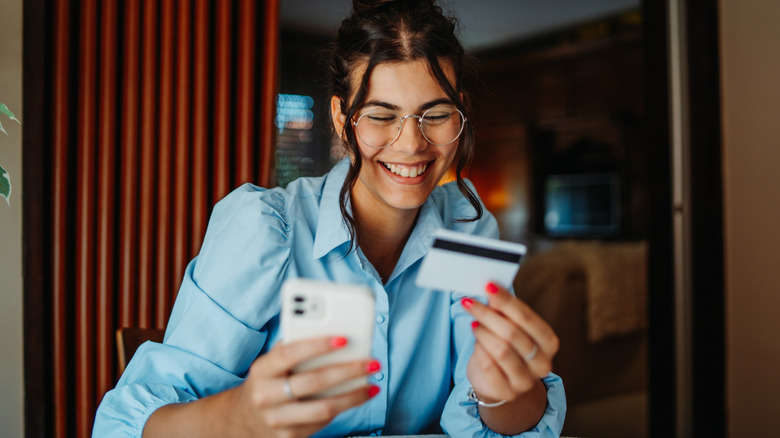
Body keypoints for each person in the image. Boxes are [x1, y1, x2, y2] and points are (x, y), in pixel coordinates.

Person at [93, 0, 566, 436]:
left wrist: (501, 388)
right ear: (342, 118)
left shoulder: (466, 227)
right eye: (382, 115)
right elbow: (122, 426)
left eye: (436, 114)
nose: (412, 145)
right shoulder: (264, 229)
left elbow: (499, 425)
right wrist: (242, 415)